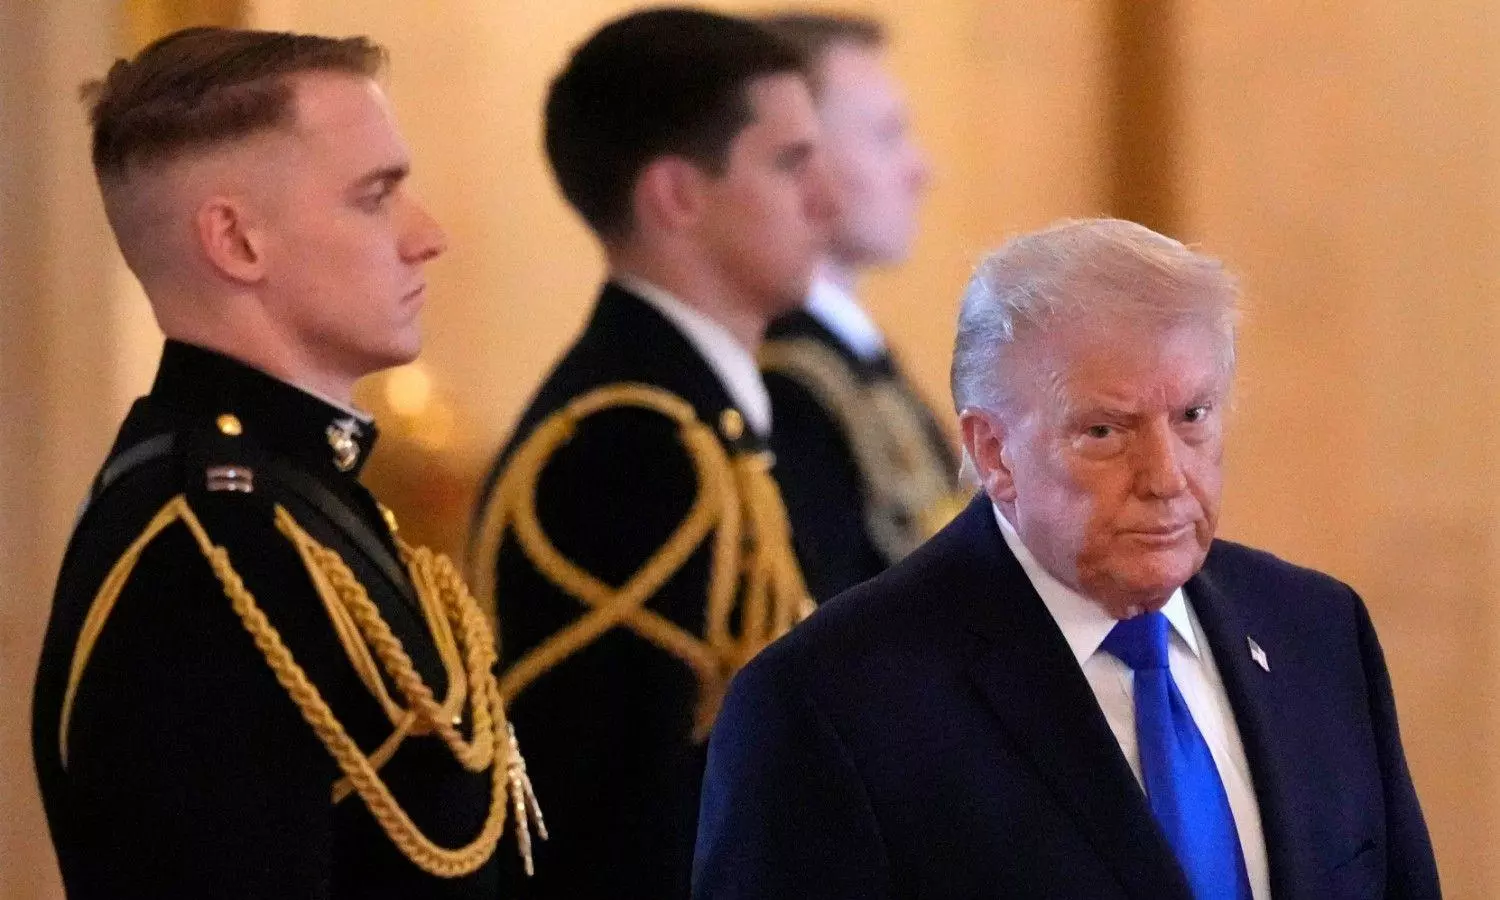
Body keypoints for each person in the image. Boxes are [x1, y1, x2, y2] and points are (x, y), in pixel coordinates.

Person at [694, 219, 1441, 899]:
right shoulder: (830, 705)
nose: (1167, 477)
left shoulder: (1318, 632)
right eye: (1105, 432)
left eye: (1193, 417)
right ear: (994, 451)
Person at [31, 27, 541, 899]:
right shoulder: (206, 552)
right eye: (375, 197)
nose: (427, 236)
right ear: (236, 241)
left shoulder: (301, 502)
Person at [466, 8, 832, 898]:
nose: (826, 199)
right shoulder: (629, 444)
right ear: (676, 195)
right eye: (790, 164)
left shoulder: (703, 416)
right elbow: (625, 818)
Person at [755, 12, 963, 602]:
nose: (921, 170)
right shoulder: (791, 380)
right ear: (801, 161)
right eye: (886, 135)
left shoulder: (851, 358)